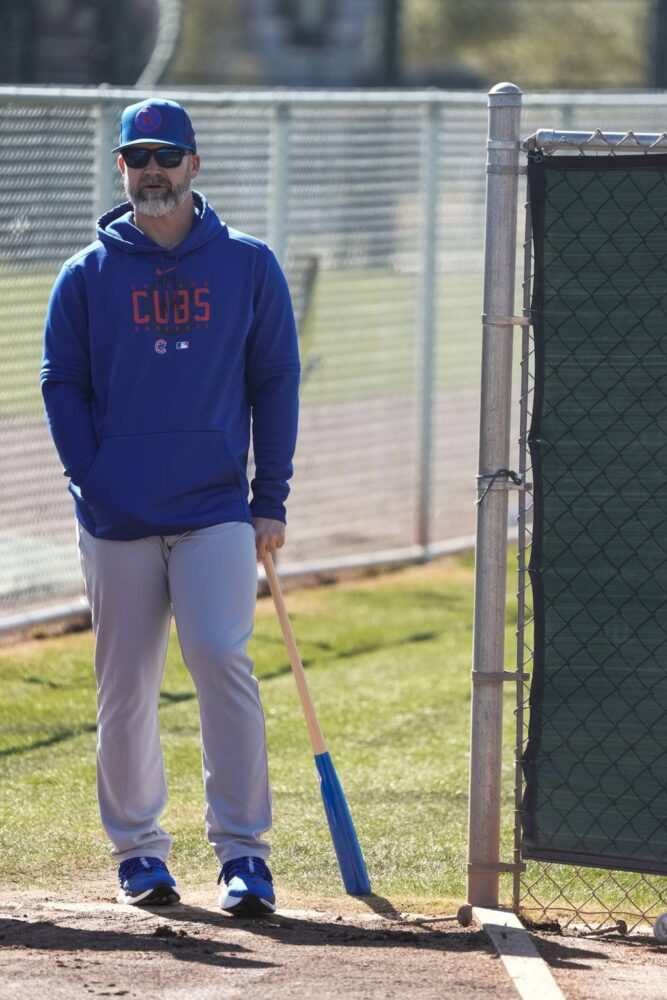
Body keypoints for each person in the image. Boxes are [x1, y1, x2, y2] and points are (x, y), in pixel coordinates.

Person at [40, 98, 300, 917]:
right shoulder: (86, 273)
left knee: (222, 661)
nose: (153, 169)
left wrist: (271, 497)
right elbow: (61, 382)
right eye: (137, 156)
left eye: (167, 155)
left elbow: (275, 381)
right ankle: (141, 855)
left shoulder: (248, 264)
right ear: (122, 169)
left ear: (194, 164)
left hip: (217, 508)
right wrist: (92, 478)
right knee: (125, 687)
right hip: (117, 517)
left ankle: (244, 856)